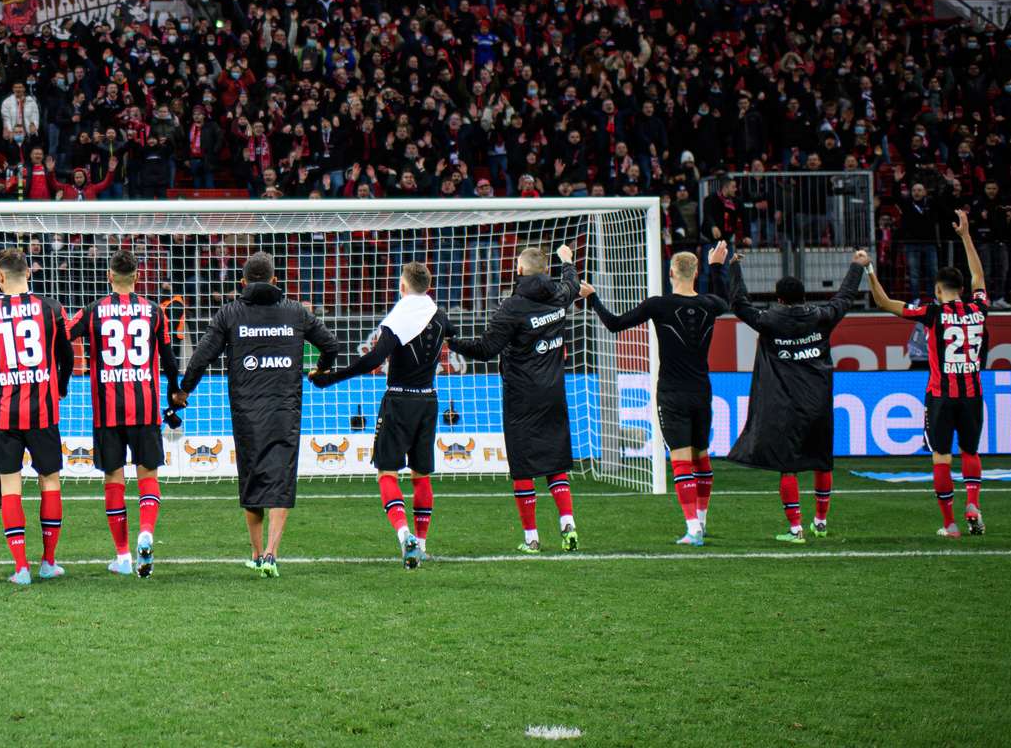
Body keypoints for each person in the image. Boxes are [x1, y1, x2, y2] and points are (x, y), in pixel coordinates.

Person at [177, 252, 341, 577]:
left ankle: (254, 552)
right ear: (275, 280)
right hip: (284, 408)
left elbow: (201, 357)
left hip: (247, 411)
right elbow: (332, 345)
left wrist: (184, 391)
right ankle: (271, 553)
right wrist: (320, 370)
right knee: (281, 477)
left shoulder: (230, 312)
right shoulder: (296, 312)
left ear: (243, 282)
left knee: (252, 477)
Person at [579, 242, 730, 545]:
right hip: (701, 391)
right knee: (701, 458)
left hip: (672, 394)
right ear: (696, 271)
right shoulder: (711, 304)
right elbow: (726, 299)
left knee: (681, 461)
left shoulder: (658, 304)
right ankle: (701, 521)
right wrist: (716, 266)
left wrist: (592, 297)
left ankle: (693, 529)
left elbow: (614, 324)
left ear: (671, 272)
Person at [310, 261, 450, 569]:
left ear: (402, 286)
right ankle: (422, 544)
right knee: (421, 475)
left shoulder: (399, 317)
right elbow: (463, 342)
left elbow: (372, 358)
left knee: (387, 473)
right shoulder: (440, 316)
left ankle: (405, 536)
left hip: (398, 401)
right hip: (428, 401)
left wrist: (331, 377)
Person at [447, 244, 583, 554]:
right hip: (554, 392)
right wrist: (568, 261)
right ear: (545, 270)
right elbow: (572, 283)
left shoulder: (512, 306)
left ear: (518, 270)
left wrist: (452, 342)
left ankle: (532, 538)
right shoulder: (561, 295)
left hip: (522, 395)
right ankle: (568, 525)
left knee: (523, 467)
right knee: (555, 462)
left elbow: (485, 349)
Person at [725, 250, 866, 543]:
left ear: (779, 299)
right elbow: (844, 298)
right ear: (804, 296)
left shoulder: (769, 321)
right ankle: (821, 522)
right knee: (821, 461)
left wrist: (734, 267)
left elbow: (739, 304)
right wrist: (856, 266)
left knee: (787, 466)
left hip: (784, 406)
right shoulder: (822, 317)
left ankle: (795, 528)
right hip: (819, 403)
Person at [865, 211, 990, 537]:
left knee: (941, 457)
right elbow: (979, 276)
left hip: (941, 395)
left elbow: (884, 303)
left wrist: (868, 270)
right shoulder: (978, 307)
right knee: (971, 452)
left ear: (938, 289)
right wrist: (964, 236)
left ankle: (950, 523)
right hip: (972, 394)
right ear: (961, 288)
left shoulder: (932, 313)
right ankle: (973, 503)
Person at [0, 247, 75, 586]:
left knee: (10, 486)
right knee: (50, 481)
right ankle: (48, 562)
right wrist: (61, 387)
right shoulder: (51, 309)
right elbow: (66, 356)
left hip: (4, 412)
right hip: (43, 410)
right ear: (29, 273)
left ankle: (21, 568)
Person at [76, 250, 180, 578]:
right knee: (148, 476)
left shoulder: (93, 312)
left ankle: (122, 556)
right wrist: (173, 398)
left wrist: (65, 372)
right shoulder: (153, 311)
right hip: (145, 408)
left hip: (107, 410)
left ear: (109, 275)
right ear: (137, 276)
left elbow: (63, 334)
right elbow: (170, 359)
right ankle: (146, 532)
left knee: (114, 478)